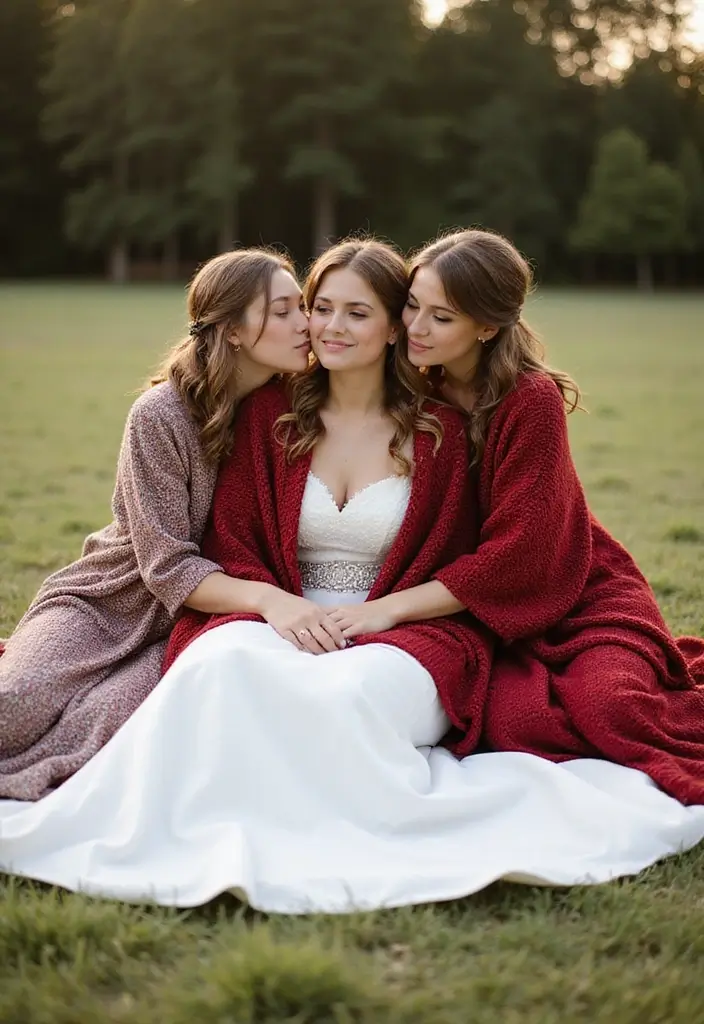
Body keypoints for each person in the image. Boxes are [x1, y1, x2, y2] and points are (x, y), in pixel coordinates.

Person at [3, 237, 703, 916]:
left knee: (348, 695)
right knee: (217, 670)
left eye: (359, 312)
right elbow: (238, 548)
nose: (329, 326)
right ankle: (186, 828)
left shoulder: (449, 429)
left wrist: (383, 615)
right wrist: (274, 611)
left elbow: (504, 552)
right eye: (319, 306)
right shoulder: (268, 417)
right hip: (268, 612)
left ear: (393, 328)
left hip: (414, 628)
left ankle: (334, 845)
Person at [388, 228, 704, 805]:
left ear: (486, 327)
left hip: (573, 586)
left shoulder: (528, 400)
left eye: (442, 317)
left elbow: (523, 553)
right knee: (513, 722)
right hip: (474, 610)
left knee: (613, 708)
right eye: (412, 305)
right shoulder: (408, 390)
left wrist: (387, 610)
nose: (416, 327)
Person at [0, 247, 314, 801]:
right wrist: (269, 599)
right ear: (234, 330)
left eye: (302, 306)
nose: (305, 323)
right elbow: (164, 565)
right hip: (107, 600)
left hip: (194, 625)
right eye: (284, 310)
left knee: (97, 732)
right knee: (13, 708)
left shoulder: (293, 409)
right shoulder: (161, 415)